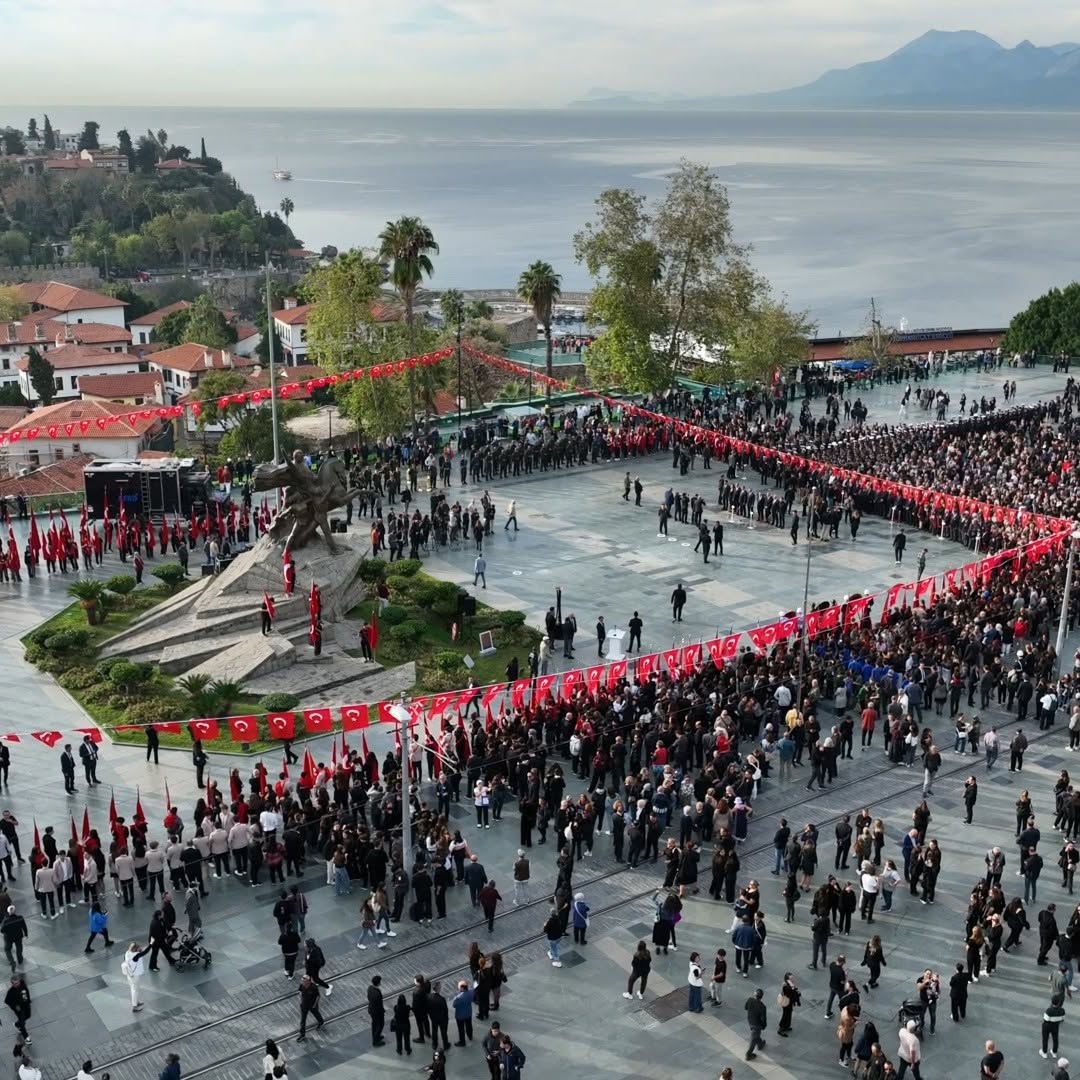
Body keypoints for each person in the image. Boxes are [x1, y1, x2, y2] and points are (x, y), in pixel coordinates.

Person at [122, 941, 150, 1011]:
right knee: (135, 990)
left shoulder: (127, 953)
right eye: (138, 947)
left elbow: (126, 960)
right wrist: (151, 944)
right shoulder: (136, 955)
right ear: (135, 949)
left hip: (129, 974)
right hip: (135, 975)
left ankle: (136, 1002)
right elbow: (145, 952)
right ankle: (135, 1006)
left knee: (135, 988)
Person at [297, 974, 324, 1042]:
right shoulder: (302, 985)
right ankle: (302, 1034)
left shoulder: (313, 987)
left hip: (312, 1005)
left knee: (316, 1014)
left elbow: (318, 996)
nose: (303, 983)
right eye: (302, 981)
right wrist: (301, 1001)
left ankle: (321, 1022)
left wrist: (315, 1005)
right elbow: (300, 992)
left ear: (308, 981)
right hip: (304, 1005)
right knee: (303, 1020)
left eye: (304, 981)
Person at [4, 975, 30, 1043]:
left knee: (28, 1016)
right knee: (22, 1022)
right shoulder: (11, 992)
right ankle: (26, 1037)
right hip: (19, 1009)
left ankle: (17, 1024)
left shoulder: (22, 984)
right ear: (12, 984)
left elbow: (26, 991)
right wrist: (15, 1006)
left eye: (17, 983)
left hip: (26, 1005)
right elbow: (7, 1001)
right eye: (14, 983)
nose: (16, 984)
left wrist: (29, 1000)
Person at [1, 906, 27, 970]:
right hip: (18, 936)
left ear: (8, 912)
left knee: (7, 950)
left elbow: (2, 930)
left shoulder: (5, 922)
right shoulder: (20, 918)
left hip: (8, 938)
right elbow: (24, 926)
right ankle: (20, 959)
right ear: (15, 911)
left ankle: (12, 962)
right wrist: (26, 934)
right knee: (19, 947)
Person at [745, 986, 767, 1060]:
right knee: (753, 1039)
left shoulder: (750, 1000)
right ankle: (748, 1054)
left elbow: (745, 1007)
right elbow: (763, 1019)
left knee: (756, 1035)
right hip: (757, 1025)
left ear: (755, 994)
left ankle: (760, 1044)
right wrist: (764, 1026)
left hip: (750, 1021)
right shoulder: (762, 1006)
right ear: (761, 997)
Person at [452, 979, 475, 1045]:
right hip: (468, 1013)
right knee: (469, 1025)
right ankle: (470, 1036)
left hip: (460, 1015)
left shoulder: (458, 998)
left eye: (459, 986)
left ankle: (462, 1041)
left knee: (461, 1029)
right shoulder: (471, 992)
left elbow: (454, 1005)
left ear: (462, 988)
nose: (458, 988)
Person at [368, 974, 386, 1046]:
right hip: (377, 1012)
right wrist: (382, 1011)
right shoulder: (377, 994)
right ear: (378, 983)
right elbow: (379, 1005)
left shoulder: (370, 988)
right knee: (380, 1024)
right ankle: (376, 1041)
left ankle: (376, 1036)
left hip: (372, 1009)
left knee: (374, 1024)